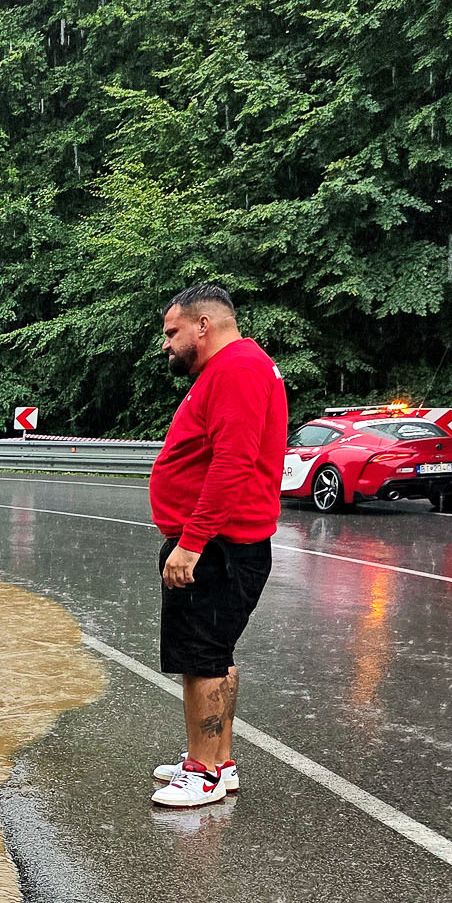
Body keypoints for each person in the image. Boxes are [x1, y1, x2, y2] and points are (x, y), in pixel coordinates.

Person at [147, 283, 286, 809]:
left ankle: (202, 773)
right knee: (212, 654)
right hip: (222, 543)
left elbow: (233, 462)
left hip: (217, 546)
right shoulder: (236, 367)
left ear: (203, 325)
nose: (166, 344)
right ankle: (216, 762)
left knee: (202, 656)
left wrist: (192, 542)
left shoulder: (236, 370)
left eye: (172, 332)